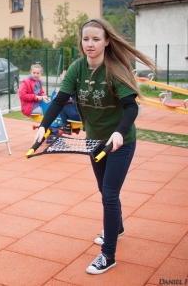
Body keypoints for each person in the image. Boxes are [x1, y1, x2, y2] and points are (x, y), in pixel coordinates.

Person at [33, 18, 156, 275]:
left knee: (110, 194)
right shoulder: (77, 68)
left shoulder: (115, 69)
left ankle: (108, 254)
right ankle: (117, 226)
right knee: (104, 190)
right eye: (86, 39)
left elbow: (131, 107)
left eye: (96, 39)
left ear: (107, 41)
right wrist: (44, 126)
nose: (90, 44)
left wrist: (120, 132)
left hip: (120, 141)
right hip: (95, 139)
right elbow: (59, 101)